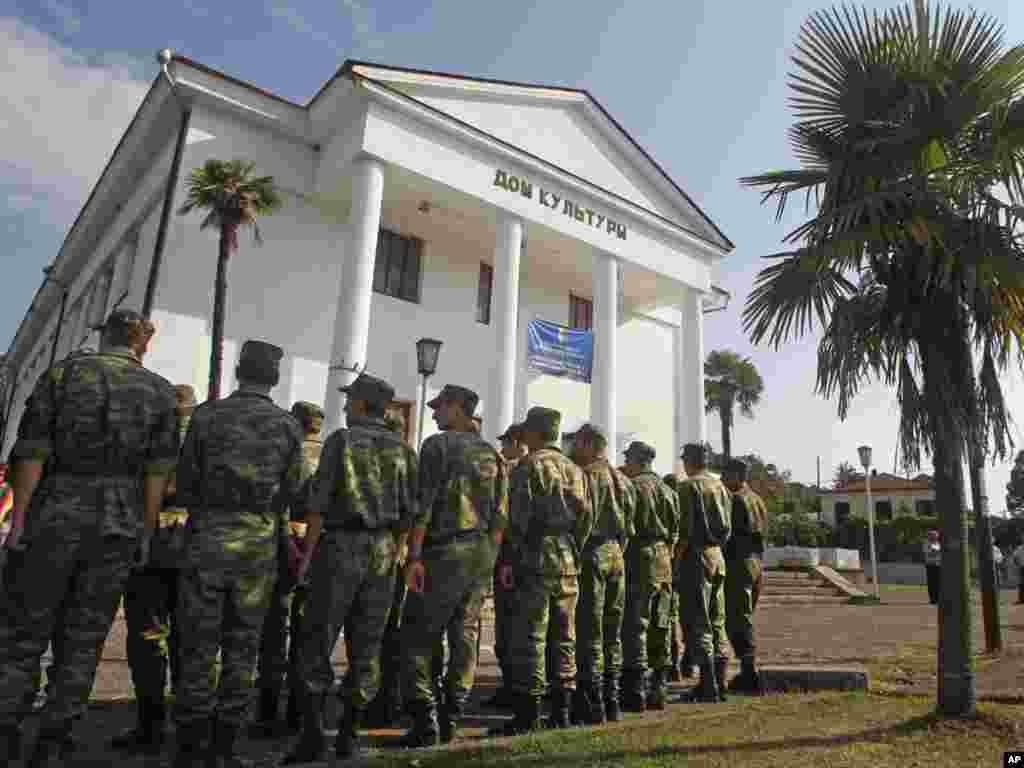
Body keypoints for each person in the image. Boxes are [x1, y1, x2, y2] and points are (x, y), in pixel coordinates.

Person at [0, 308, 178, 766]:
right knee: (84, 637)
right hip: (118, 523)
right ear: (143, 344)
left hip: (55, 512)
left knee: (23, 632)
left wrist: (19, 518)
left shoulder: (62, 376)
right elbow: (158, 471)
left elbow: (32, 450)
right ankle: (55, 741)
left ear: (105, 338)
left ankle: (6, 729)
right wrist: (145, 527)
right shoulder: (160, 393)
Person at [172, 340, 305, 768]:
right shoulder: (287, 426)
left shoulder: (207, 416)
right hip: (258, 543)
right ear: (275, 377)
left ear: (239, 371)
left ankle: (191, 748)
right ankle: (226, 748)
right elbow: (294, 490)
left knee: (196, 644)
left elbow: (186, 480)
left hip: (207, 536)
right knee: (242, 646)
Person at [285, 372, 417, 764]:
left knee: (317, 640)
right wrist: (399, 553)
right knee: (368, 646)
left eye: (350, 400)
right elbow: (411, 513)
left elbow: (319, 504)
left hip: (341, 548)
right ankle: (348, 735)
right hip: (384, 552)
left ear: (362, 403)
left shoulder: (340, 442)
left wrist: (306, 556)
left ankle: (312, 735)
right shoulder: (404, 450)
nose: (344, 406)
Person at [398, 384, 508, 746]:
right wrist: (489, 559)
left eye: (440, 406)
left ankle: (424, 716)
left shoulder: (437, 446)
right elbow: (500, 518)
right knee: (465, 636)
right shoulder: (493, 455)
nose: (433, 413)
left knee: (418, 634)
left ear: (459, 408)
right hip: (479, 554)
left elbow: (423, 506)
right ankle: (452, 714)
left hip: (443, 552)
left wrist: (414, 556)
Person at [491, 407, 593, 735]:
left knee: (531, 636)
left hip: (533, 558)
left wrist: (508, 558)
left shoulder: (527, 466)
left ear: (533, 434)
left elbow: (515, 517)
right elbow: (586, 519)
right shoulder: (575, 469)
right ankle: (561, 710)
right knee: (565, 635)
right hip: (566, 558)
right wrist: (571, 547)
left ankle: (529, 713)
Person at [112, 384, 197, 753]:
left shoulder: (146, 438)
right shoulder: (205, 445)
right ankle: (186, 727)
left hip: (151, 546)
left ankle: (150, 726)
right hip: (192, 549)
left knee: (148, 638)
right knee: (188, 640)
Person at [253, 401, 325, 736]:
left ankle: (267, 711)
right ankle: (299, 712)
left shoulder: (286, 448)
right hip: (316, 547)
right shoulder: (329, 452)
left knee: (273, 631)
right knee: (306, 632)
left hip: (282, 545)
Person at [571, 424, 635, 724]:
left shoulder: (587, 476)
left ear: (587, 443)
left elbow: (581, 520)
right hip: (616, 555)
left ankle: (591, 701)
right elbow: (629, 528)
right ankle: (612, 699)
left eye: (576, 443)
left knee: (589, 629)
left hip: (592, 553)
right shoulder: (623, 479)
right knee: (613, 631)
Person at [619, 442, 679, 711]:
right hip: (664, 558)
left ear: (636, 461)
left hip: (639, 557)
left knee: (636, 623)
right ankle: (659, 686)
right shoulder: (668, 490)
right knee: (662, 622)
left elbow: (625, 527)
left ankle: (635, 689)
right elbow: (676, 531)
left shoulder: (633, 487)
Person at [676, 442, 732, 704]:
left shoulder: (688, 486)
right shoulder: (719, 485)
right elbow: (727, 528)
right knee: (717, 619)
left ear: (689, 461)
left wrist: (677, 561)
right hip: (717, 555)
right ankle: (720, 682)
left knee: (699, 621)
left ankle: (708, 684)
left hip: (695, 556)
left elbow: (684, 531)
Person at [487, 423, 528, 710]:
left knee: (508, 625)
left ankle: (513, 686)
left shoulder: (512, 470)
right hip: (537, 558)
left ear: (517, 442)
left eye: (506, 443)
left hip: (510, 556)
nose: (502, 449)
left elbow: (503, 516)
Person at [721, 458, 767, 694]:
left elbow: (728, 535)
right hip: (755, 562)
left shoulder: (737, 500)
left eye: (725, 474)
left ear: (737, 476)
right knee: (743, 616)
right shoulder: (757, 499)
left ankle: (749, 674)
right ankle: (747, 669)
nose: (721, 479)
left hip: (739, 563)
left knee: (737, 618)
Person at [923, 530, 941, 605]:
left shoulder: (938, 544)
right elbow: (931, 553)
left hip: (938, 565)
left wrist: (936, 552)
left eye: (935, 536)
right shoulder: (926, 544)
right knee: (931, 583)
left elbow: (937, 552)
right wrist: (936, 552)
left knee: (938, 583)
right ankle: (933, 599)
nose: (934, 537)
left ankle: (938, 599)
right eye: (932, 535)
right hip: (930, 565)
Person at [1013, 540, 1024, 605]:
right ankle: (1021, 599)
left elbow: (1015, 557)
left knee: (1021, 584)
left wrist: (1017, 563)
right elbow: (1015, 557)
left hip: (1021, 567)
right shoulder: (1019, 548)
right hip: (1022, 567)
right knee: (1021, 584)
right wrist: (1018, 564)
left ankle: (1021, 599)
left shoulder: (1019, 548)